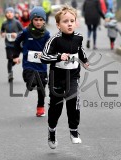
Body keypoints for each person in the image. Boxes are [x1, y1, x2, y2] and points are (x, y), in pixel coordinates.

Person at [41, 5, 89, 149]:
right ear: (58, 25)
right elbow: (44, 57)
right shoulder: (54, 40)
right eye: (65, 21)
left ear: (76, 23)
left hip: (73, 77)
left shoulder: (78, 38)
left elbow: (80, 50)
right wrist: (58, 57)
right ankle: (52, 131)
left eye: (72, 21)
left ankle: (74, 131)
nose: (69, 24)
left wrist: (85, 61)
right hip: (57, 79)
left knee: (73, 101)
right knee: (56, 108)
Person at [13, 6, 50, 117]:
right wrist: (16, 55)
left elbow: (51, 47)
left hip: (42, 65)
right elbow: (17, 41)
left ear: (44, 21)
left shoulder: (47, 34)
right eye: (36, 20)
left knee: (42, 88)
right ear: (31, 20)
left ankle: (40, 108)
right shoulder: (26, 32)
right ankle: (31, 83)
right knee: (31, 84)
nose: (38, 22)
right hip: (28, 64)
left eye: (41, 20)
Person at [1, 7, 23, 82]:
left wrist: (16, 34)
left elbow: (22, 31)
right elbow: (2, 30)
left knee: (12, 60)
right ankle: (10, 74)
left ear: (13, 13)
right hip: (8, 44)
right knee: (10, 59)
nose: (9, 14)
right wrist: (3, 33)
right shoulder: (4, 23)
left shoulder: (17, 22)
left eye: (11, 12)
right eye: (7, 12)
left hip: (16, 45)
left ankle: (15, 61)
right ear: (5, 14)